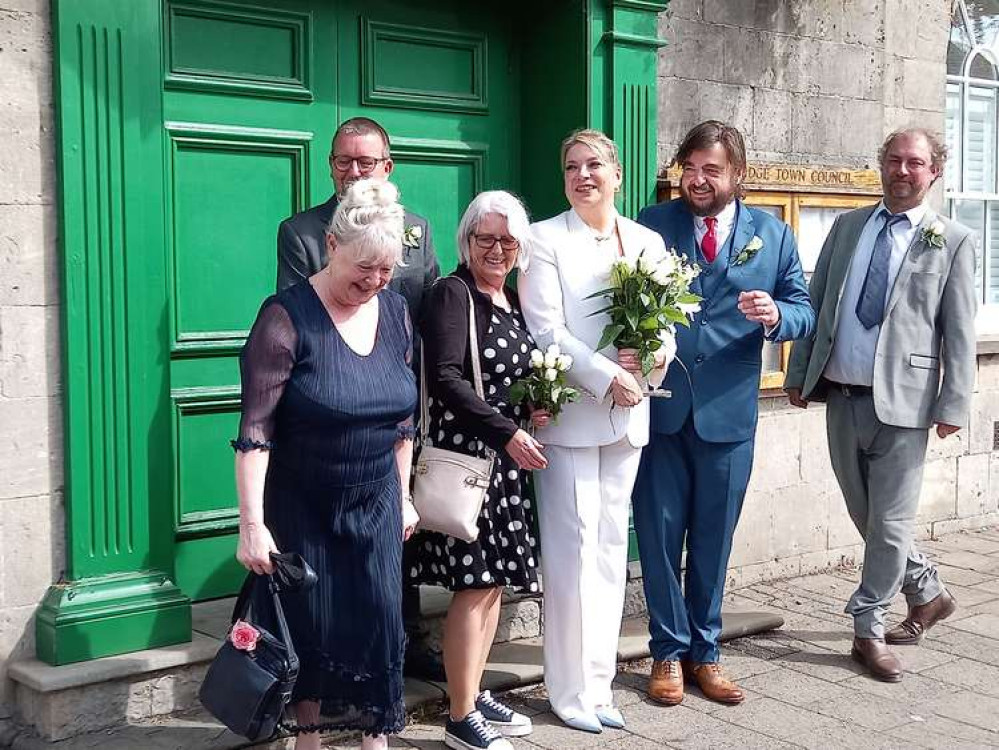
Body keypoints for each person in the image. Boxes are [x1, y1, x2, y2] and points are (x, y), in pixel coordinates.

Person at [632, 120, 815, 707]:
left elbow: (803, 309)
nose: (698, 180)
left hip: (730, 413)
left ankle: (705, 653)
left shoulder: (774, 234)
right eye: (690, 168)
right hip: (662, 408)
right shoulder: (650, 224)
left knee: (713, 538)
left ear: (738, 174)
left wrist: (775, 316)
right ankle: (666, 651)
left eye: (711, 170)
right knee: (660, 538)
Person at [785, 128, 976, 682]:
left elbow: (959, 332)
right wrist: (800, 373)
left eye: (915, 163)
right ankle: (929, 593)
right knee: (866, 517)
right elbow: (819, 303)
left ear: (934, 172)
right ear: (881, 166)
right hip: (841, 397)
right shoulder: (849, 228)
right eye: (894, 160)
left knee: (890, 525)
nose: (902, 170)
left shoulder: (952, 240)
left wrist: (953, 402)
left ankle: (867, 626)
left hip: (908, 407)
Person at [234, 179, 418, 750]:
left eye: (386, 271)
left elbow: (403, 420)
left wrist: (405, 493)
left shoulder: (394, 310)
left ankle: (374, 743)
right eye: (364, 268)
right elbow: (255, 430)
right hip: (305, 505)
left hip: (377, 503)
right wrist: (251, 523)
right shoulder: (285, 317)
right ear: (332, 245)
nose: (375, 282)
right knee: (311, 634)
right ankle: (306, 743)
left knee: (380, 628)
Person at [518, 129, 675, 734]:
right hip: (571, 417)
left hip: (629, 417)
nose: (582, 176)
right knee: (570, 551)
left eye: (593, 165)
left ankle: (601, 682)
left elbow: (668, 321)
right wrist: (610, 375)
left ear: (617, 173)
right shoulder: (544, 239)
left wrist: (651, 358)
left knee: (611, 550)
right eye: (571, 167)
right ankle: (568, 691)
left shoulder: (646, 240)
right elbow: (547, 330)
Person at [276, 116, 442, 679]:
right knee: (336, 536)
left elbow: (433, 313)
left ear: (387, 167)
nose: (352, 170)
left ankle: (405, 637)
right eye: (342, 160)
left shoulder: (416, 228)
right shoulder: (301, 232)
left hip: (398, 404)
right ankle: (331, 657)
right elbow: (296, 318)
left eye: (364, 162)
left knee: (399, 525)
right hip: (334, 406)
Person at [409, 191, 547, 750]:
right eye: (485, 238)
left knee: (490, 587)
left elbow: (504, 374)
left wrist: (534, 406)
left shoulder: (510, 298)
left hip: (502, 464)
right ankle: (460, 716)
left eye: (507, 239)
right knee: (473, 586)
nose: (496, 248)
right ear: (466, 241)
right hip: (470, 461)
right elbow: (444, 376)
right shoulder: (452, 295)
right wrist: (508, 430)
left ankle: (472, 688)